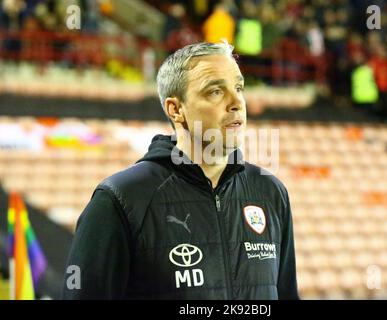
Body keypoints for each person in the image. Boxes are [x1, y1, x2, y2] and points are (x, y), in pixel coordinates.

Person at [61, 41, 299, 300]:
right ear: (176, 109)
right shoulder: (120, 199)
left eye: (239, 87)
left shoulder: (270, 192)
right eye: (215, 92)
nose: (236, 102)